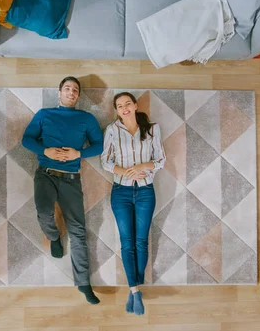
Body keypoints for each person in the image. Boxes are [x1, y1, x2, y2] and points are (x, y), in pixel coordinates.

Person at [22, 76, 103, 304]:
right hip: (45, 173)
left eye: (75, 90)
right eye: (67, 89)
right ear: (59, 93)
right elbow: (26, 140)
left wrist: (79, 154)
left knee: (78, 230)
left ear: (78, 96)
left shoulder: (86, 118)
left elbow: (100, 144)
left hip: (71, 178)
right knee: (44, 211)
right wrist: (45, 151)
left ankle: (84, 284)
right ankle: (53, 236)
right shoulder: (44, 114)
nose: (71, 92)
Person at [100, 92, 166, 315]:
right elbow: (105, 161)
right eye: (120, 106)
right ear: (116, 111)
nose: (124, 108)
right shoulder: (112, 130)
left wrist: (143, 167)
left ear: (135, 106)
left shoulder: (152, 129)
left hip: (146, 191)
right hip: (121, 192)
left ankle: (134, 288)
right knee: (127, 242)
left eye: (128, 103)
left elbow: (161, 160)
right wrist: (127, 172)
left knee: (141, 241)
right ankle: (135, 290)